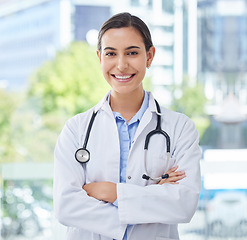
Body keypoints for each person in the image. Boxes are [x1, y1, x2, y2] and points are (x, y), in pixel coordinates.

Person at [53, 12, 201, 240]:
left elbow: (183, 204)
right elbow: (66, 206)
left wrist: (111, 192)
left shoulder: (180, 128)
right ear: (99, 57)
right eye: (111, 53)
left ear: (149, 56)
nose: (121, 65)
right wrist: (151, 198)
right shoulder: (76, 129)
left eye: (132, 53)